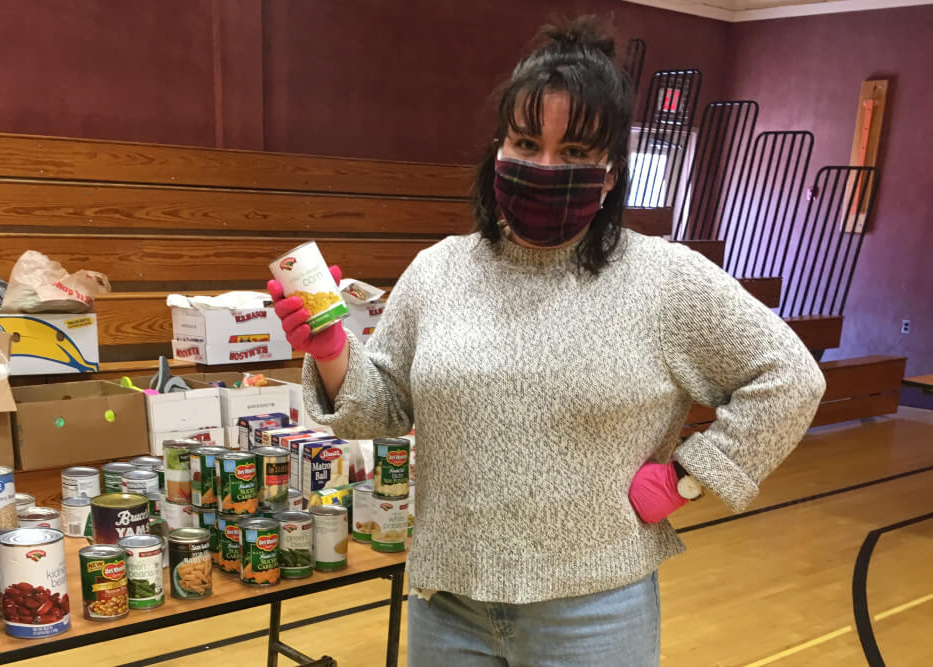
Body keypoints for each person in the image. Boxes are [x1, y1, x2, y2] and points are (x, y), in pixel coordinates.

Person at [267, 16, 826, 667]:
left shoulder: (665, 280)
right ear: (498, 150)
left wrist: (688, 478)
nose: (545, 165)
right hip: (448, 605)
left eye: (577, 152)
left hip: (594, 613)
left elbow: (791, 378)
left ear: (612, 171)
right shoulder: (438, 270)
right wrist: (333, 349)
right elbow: (382, 410)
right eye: (527, 142)